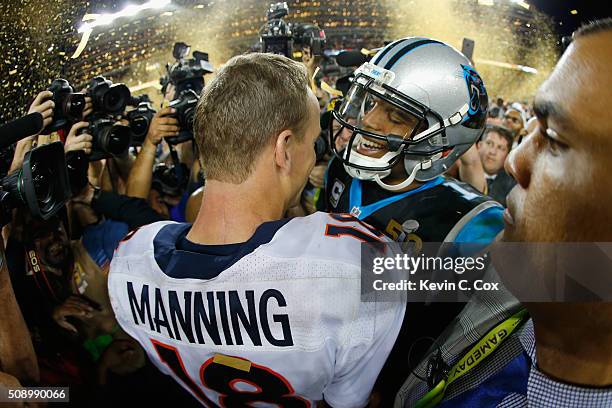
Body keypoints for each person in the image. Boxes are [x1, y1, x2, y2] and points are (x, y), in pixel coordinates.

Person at [108, 52, 406, 407]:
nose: (315, 155)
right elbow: (348, 400)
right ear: (284, 149)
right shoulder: (355, 264)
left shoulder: (129, 263)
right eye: (313, 144)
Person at [396, 18, 612, 407]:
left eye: (556, 140)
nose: (515, 160)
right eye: (532, 128)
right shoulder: (524, 272)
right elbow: (380, 277)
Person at [322, 37, 505, 403]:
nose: (369, 120)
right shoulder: (341, 172)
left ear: (440, 141)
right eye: (372, 103)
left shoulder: (472, 223)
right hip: (324, 357)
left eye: (397, 115)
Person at [477, 125, 516, 206]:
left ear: (507, 156)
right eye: (489, 143)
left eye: (500, 148)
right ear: (479, 146)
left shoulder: (513, 188)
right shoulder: (458, 172)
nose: (493, 152)